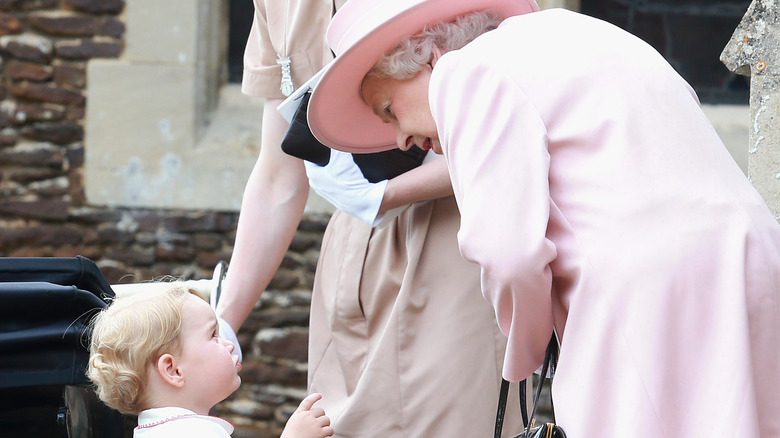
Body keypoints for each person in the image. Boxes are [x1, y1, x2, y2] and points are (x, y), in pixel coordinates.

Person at [306, 0, 780, 436]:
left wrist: (528, 352)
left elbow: (507, 251)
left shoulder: (465, 72)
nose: (401, 140)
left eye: (389, 110)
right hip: (753, 259)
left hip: (646, 298)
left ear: (428, 55)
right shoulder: (582, 33)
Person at [213, 0, 523, 436]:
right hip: (348, 249)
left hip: (454, 239)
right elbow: (278, 173)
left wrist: (384, 194)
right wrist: (223, 321)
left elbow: (509, 117)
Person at [87, 287, 334, 438]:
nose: (227, 343)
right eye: (213, 335)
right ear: (173, 370)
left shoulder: (157, 430)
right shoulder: (190, 434)